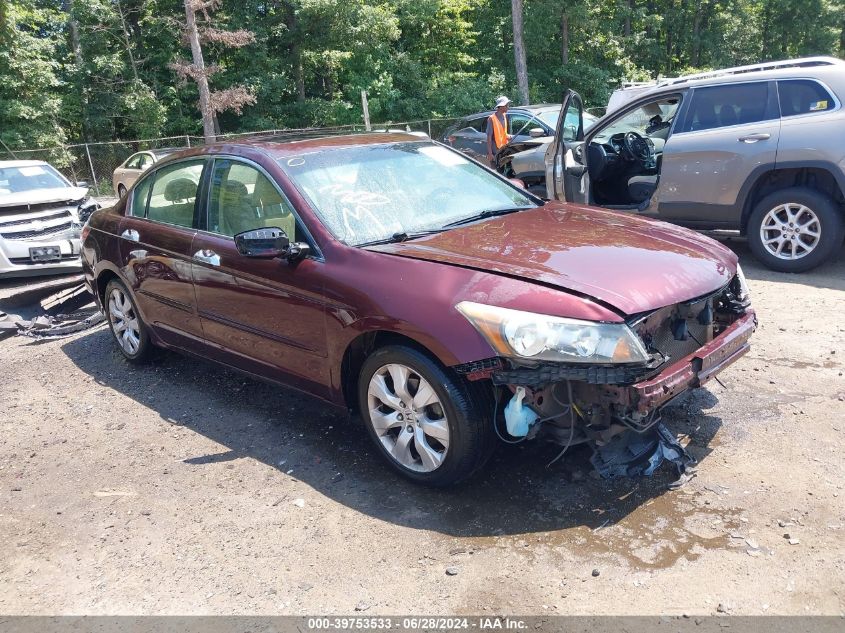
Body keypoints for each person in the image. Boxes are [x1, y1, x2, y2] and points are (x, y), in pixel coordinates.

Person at [486, 95, 512, 168]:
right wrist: (490, 154)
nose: (508, 107)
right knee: (496, 171)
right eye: (506, 105)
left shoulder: (504, 116)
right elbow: (489, 137)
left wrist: (507, 136)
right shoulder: (491, 119)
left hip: (503, 148)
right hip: (495, 151)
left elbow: (502, 132)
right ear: (501, 107)